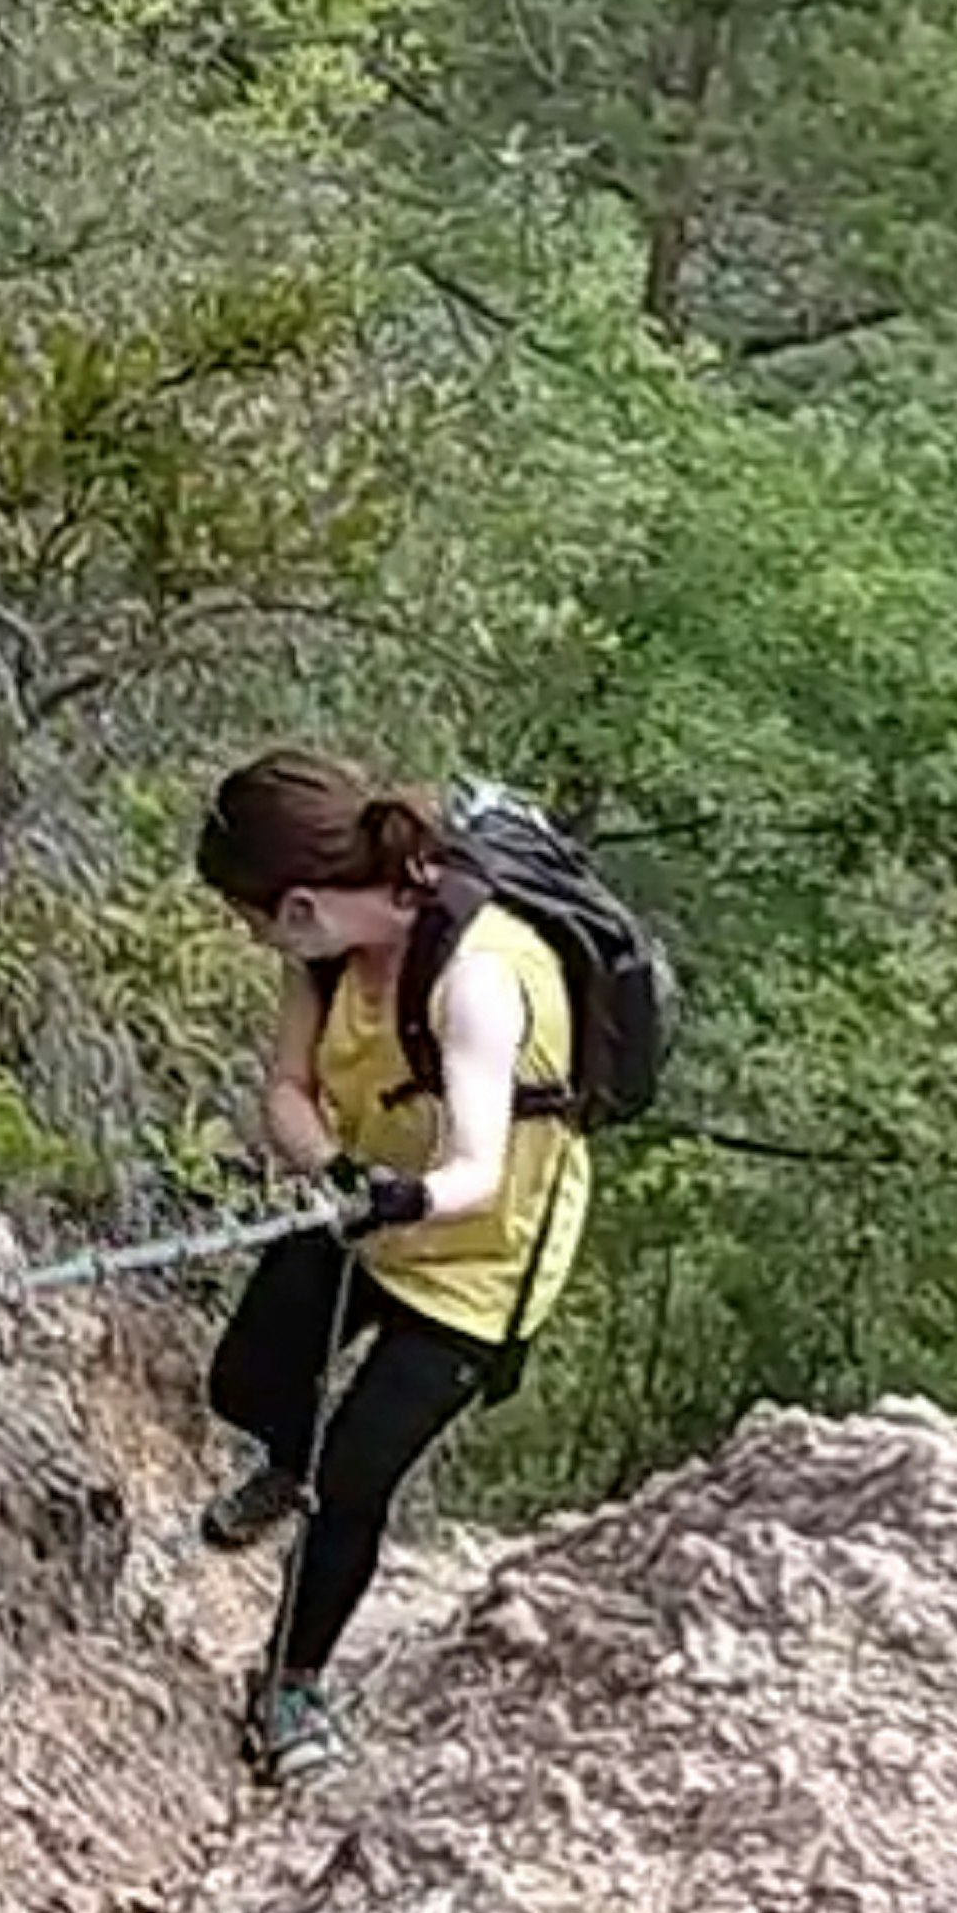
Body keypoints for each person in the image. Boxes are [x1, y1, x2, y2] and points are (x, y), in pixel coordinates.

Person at [188, 750, 595, 1790]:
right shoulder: (320, 956)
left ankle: (290, 1686)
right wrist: (333, 1169)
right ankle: (295, 1458)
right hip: (363, 1205)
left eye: (252, 914)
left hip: (480, 1257)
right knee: (244, 1379)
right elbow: (287, 1088)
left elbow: (476, 1171)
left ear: (304, 901)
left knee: (356, 1483)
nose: (249, 935)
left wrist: (389, 1195)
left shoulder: (476, 983)